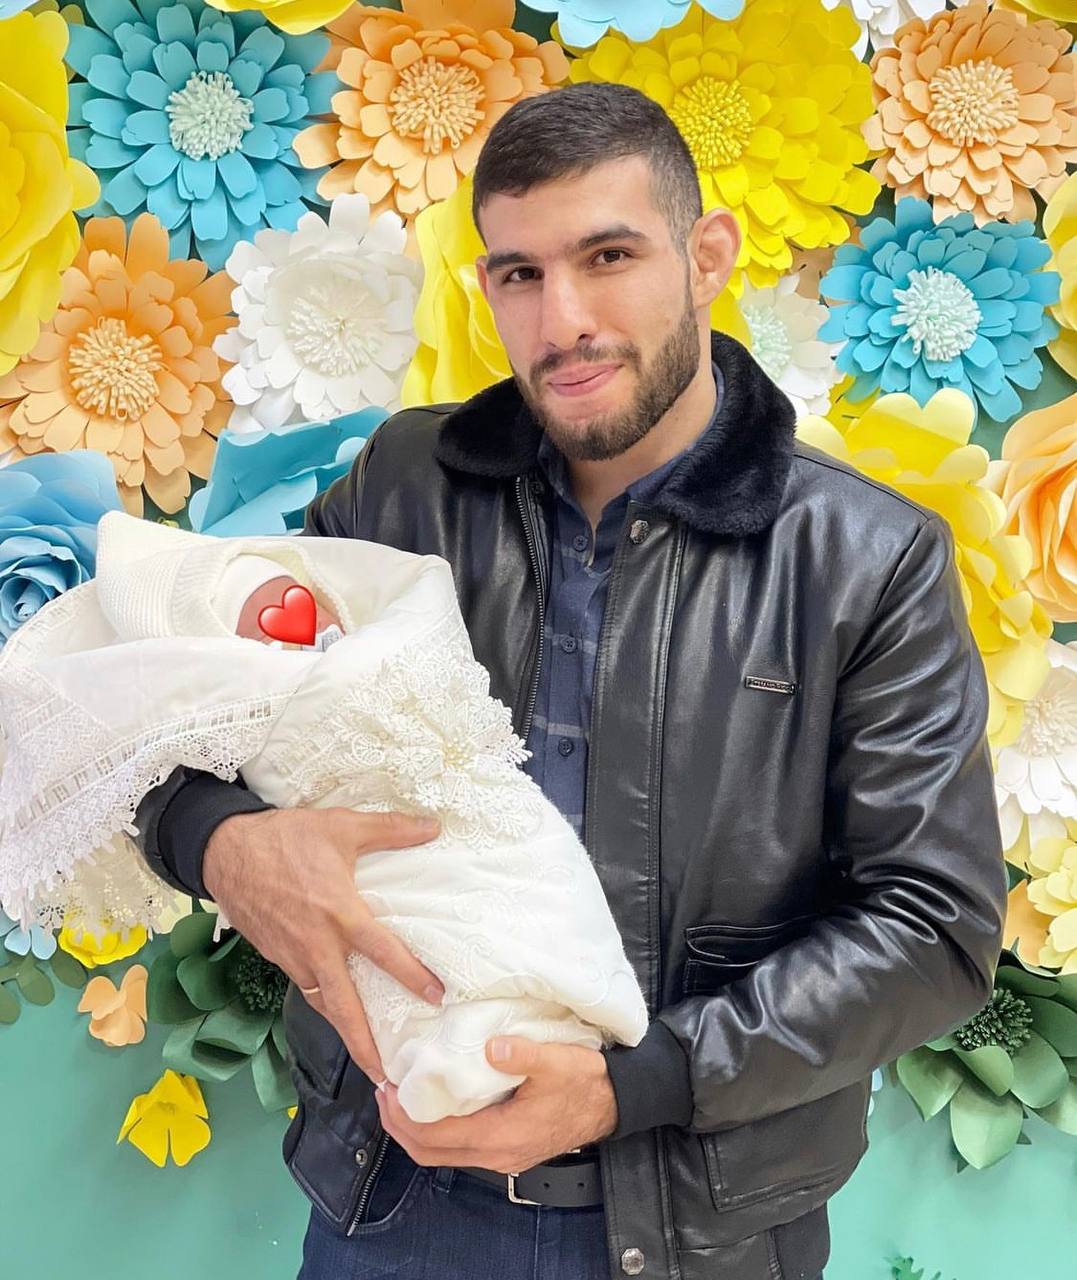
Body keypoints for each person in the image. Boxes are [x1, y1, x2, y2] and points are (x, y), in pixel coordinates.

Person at [130, 83, 1007, 1280]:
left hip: (705, 1227)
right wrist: (219, 838)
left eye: (609, 256)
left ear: (708, 256)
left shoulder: (868, 557)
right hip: (391, 1195)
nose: (564, 319)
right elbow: (175, 711)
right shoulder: (402, 484)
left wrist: (630, 1084)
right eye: (520, 274)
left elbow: (934, 927)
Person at [0, 508, 649, 1122]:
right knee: (417, 949)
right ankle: (479, 1045)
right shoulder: (398, 478)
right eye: (257, 620)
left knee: (533, 867)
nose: (301, 626)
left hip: (678, 1161)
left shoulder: (386, 610)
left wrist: (653, 1082)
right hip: (371, 1154)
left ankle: (558, 1002)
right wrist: (219, 836)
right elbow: (137, 761)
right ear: (210, 654)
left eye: (294, 600)